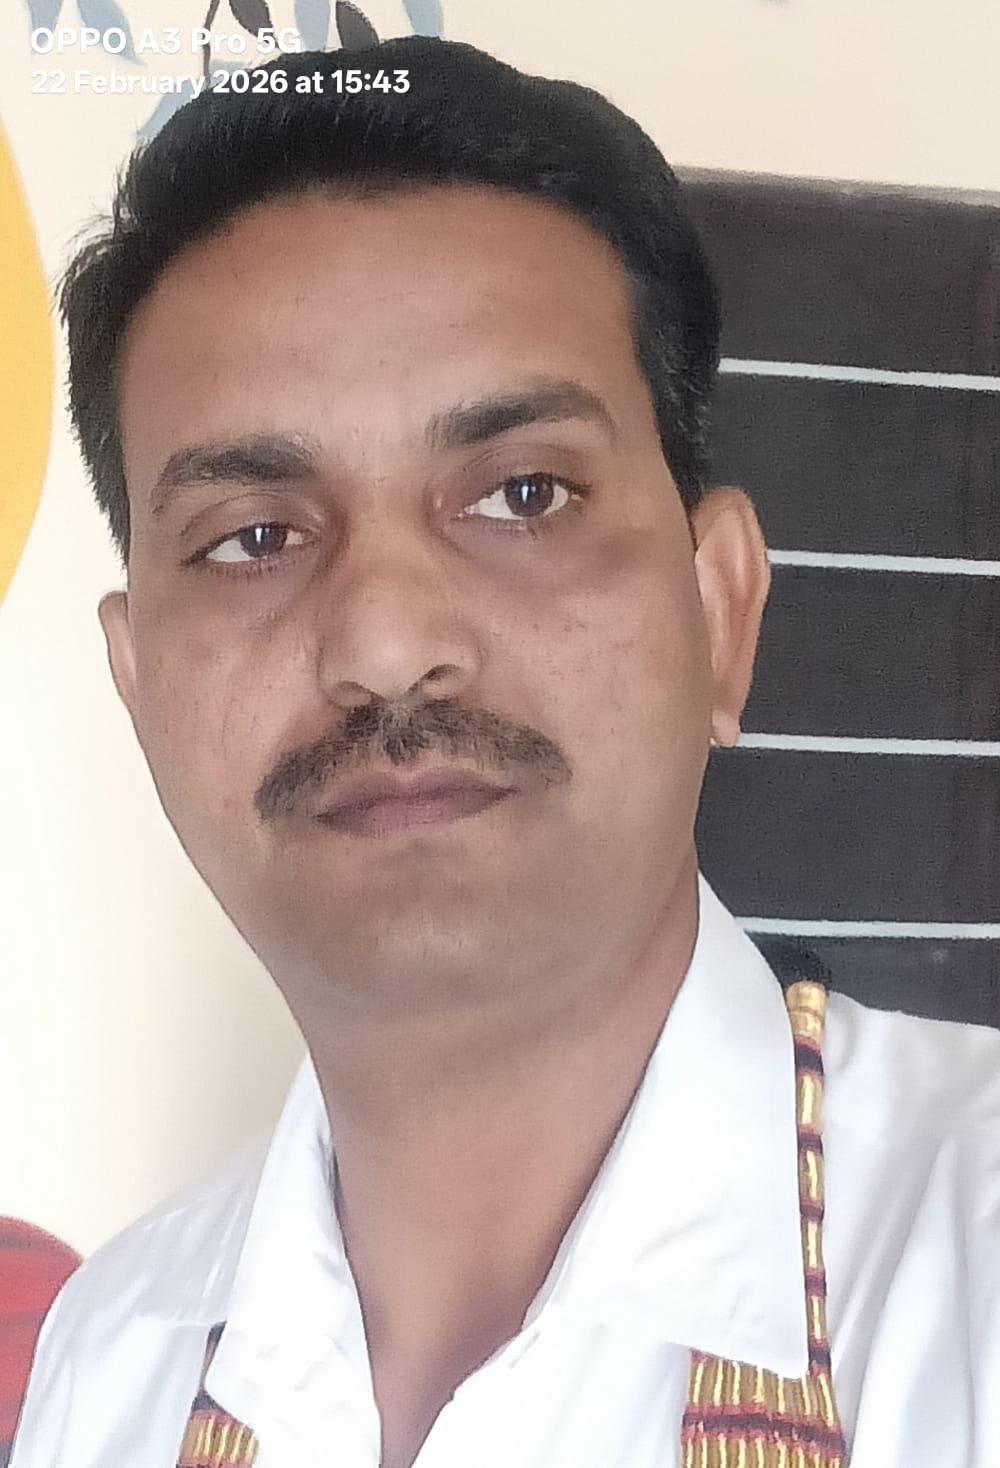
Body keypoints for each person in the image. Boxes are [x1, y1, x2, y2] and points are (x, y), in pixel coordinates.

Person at [10, 34, 1000, 1468]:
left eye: (524, 494)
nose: (385, 638)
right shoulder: (114, 1363)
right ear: (139, 685)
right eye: (255, 536)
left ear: (721, 611)